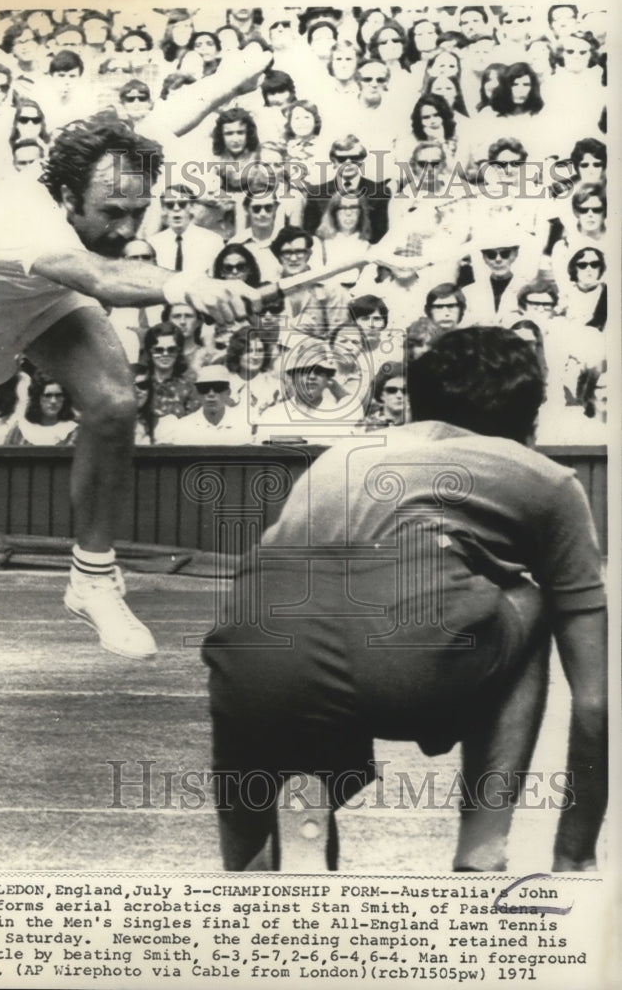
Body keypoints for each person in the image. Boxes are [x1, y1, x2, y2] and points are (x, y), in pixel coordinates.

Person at [203, 327, 606, 872]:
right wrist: (575, 854)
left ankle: (287, 821)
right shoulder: (547, 480)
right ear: (532, 418)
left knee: (297, 662)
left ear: (413, 406)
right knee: (528, 604)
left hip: (248, 655)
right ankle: (481, 848)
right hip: (396, 662)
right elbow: (594, 701)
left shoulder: (341, 456)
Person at [0, 112, 259, 661]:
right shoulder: (23, 220)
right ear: (65, 196)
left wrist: (240, 75)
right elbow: (104, 277)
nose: (128, 231)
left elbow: (181, 111)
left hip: (44, 297)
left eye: (137, 212)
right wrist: (191, 285)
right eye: (111, 213)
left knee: (114, 404)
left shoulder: (112, 168)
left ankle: (92, 578)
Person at [154, 365, 253, 445]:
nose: (211, 394)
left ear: (228, 392)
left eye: (218, 387)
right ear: (197, 393)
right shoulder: (182, 428)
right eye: (204, 388)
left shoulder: (243, 425)